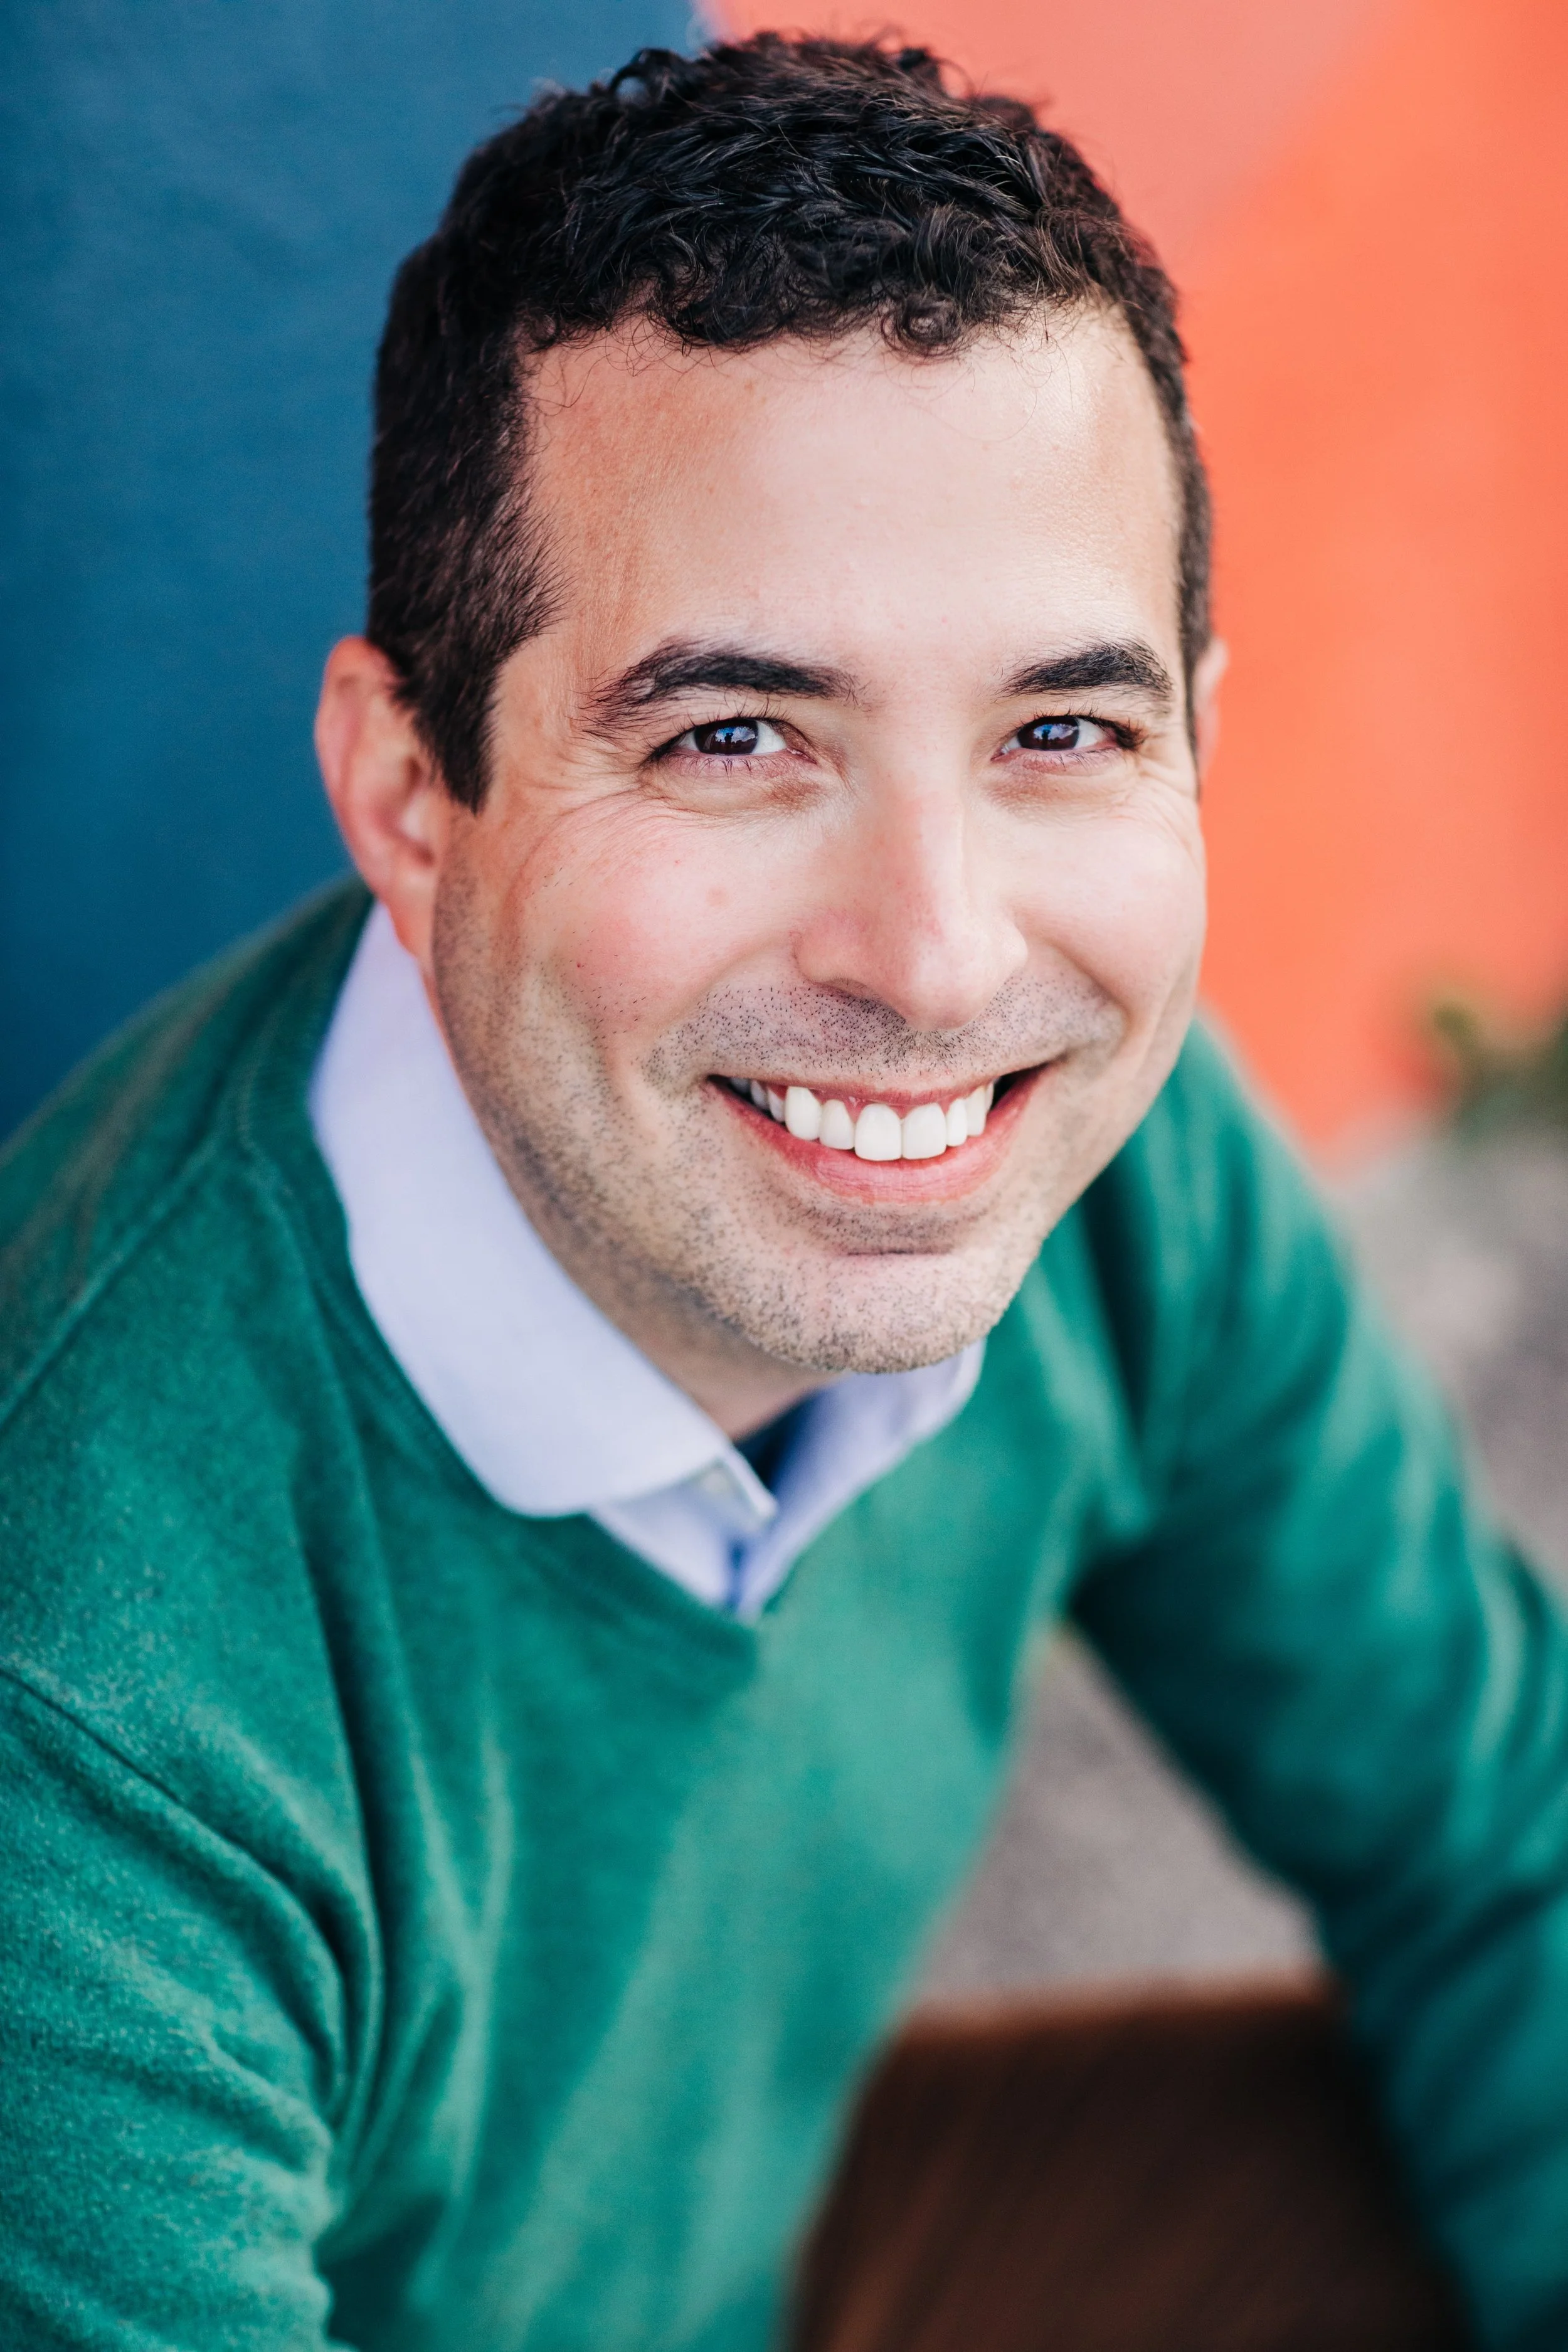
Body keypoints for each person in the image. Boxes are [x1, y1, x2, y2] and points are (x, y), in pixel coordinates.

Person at [0, 33, 1564, 2352]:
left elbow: (1491, 1850)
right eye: (734, 736)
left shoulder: (1120, 1166)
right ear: (411, 795)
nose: (940, 959)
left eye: (1063, 732)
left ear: (1194, 752)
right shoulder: (81, 1717)